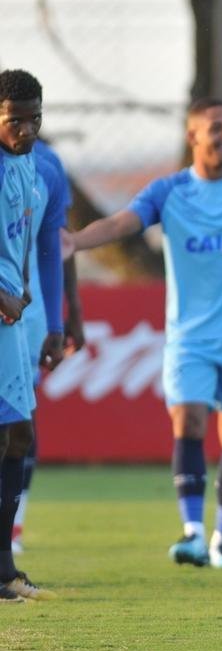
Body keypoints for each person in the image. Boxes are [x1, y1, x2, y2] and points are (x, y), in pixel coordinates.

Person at [67, 98, 222, 568]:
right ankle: (193, 532)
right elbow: (121, 223)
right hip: (189, 338)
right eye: (216, 128)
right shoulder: (170, 191)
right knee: (189, 420)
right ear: (192, 136)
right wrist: (76, 240)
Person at [13, 136, 84, 554]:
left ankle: (13, 527)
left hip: (30, 313)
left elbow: (58, 243)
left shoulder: (47, 165)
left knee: (19, 418)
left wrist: (68, 313)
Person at [0, 69, 55, 602]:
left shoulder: (28, 164)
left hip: (13, 320)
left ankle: (5, 569)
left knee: (19, 437)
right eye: (14, 118)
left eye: (34, 117)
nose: (26, 127)